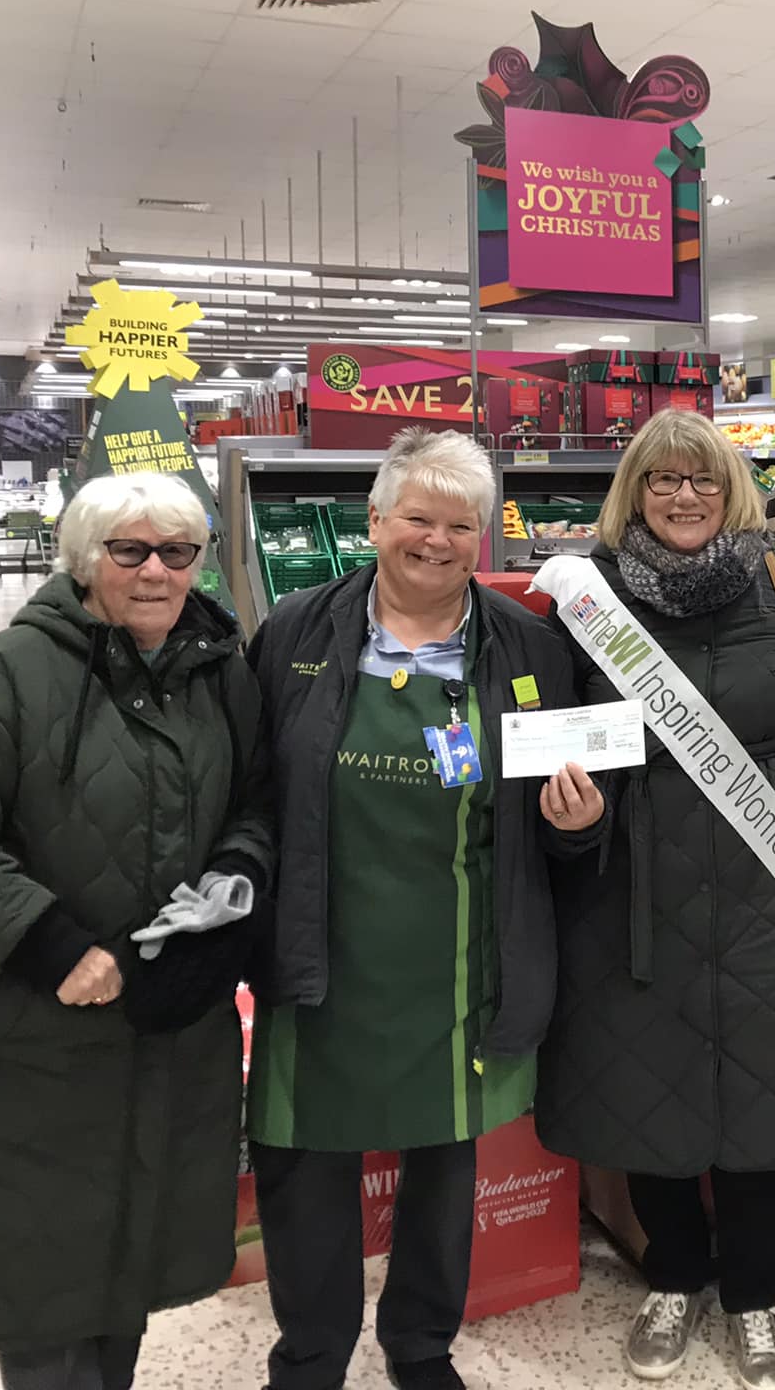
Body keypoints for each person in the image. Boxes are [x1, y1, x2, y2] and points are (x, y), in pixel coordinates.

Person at [0, 471, 272, 1390]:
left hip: (162, 1035)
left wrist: (235, 880)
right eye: (128, 550)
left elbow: (257, 803)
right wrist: (51, 943)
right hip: (33, 1039)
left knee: (129, 1263)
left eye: (178, 552)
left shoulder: (218, 676)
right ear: (85, 559)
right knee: (42, 1276)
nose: (155, 571)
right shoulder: (2, 678)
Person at [244, 427, 606, 1390]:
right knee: (304, 1166)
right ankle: (311, 1355)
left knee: (444, 1159)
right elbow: (249, 791)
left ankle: (419, 1344)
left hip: (460, 950)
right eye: (418, 518)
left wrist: (578, 823)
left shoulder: (528, 647)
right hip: (317, 945)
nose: (438, 541)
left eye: (461, 524)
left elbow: (560, 827)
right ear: (374, 522)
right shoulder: (295, 632)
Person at [534, 411, 775, 1390]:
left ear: (730, 492)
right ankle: (673, 1276)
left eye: (702, 482)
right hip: (633, 886)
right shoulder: (584, 597)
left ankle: (756, 1298)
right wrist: (571, 820)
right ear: (634, 492)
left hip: (767, 876)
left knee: (761, 1095)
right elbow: (557, 751)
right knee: (650, 1091)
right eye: (663, 481)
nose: (683, 498)